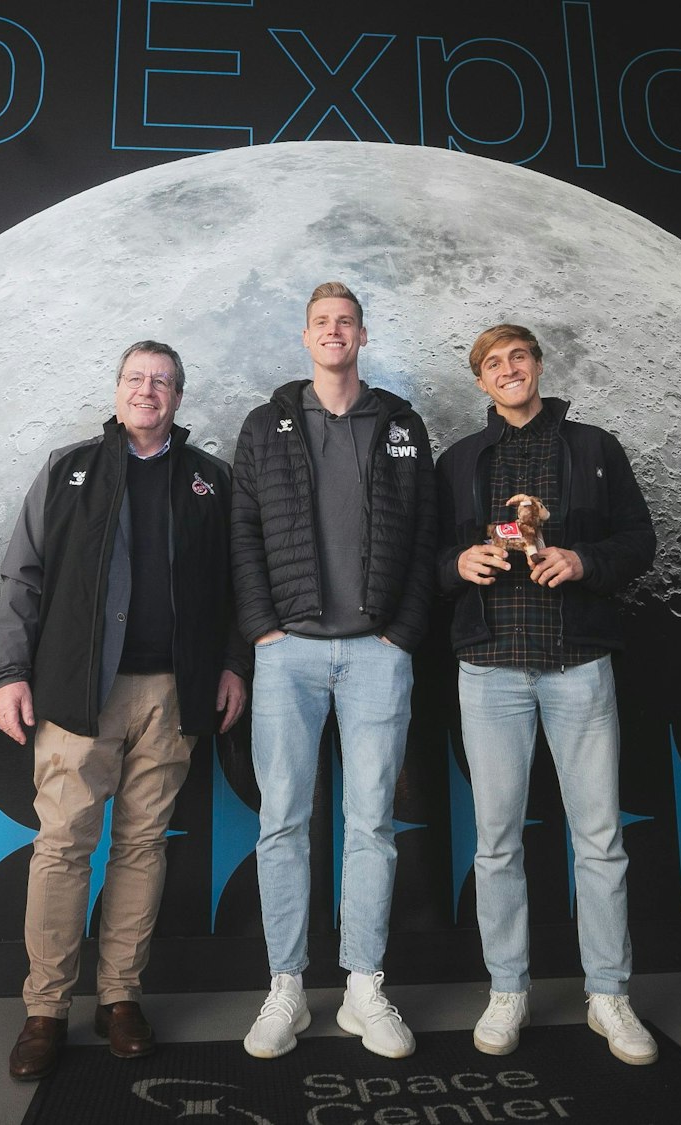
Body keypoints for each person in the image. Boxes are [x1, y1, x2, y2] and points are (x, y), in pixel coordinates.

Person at [0, 340, 249, 1081]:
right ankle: (46, 1008)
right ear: (117, 390)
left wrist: (233, 664)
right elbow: (23, 576)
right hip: (79, 691)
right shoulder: (67, 469)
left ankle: (120, 997)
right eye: (136, 378)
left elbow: (238, 584)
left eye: (162, 381)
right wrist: (9, 672)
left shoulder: (210, 480)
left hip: (173, 692)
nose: (147, 391)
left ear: (178, 397)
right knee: (63, 844)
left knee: (142, 844)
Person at [434, 324, 659, 1065]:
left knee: (599, 838)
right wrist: (458, 563)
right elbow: (425, 558)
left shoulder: (595, 448)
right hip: (490, 668)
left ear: (537, 366)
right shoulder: (459, 461)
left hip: (578, 664)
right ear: (481, 381)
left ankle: (609, 993)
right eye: (493, 364)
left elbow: (640, 541)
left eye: (518, 358)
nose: (508, 370)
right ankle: (507, 988)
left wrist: (583, 560)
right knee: (496, 841)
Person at [230, 281, 437, 1060]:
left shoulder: (401, 425)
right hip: (288, 655)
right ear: (306, 335)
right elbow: (243, 533)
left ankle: (362, 986)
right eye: (321, 321)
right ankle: (285, 986)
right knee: (283, 820)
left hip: (378, 654)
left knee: (371, 823)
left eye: (345, 321)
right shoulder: (266, 425)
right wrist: (264, 630)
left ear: (362, 334)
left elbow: (425, 534)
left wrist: (402, 634)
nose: (334, 331)